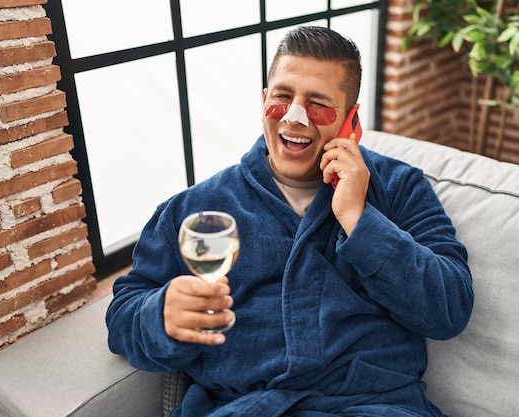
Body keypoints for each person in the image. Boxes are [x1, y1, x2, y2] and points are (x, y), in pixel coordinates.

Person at [106, 26, 474, 417]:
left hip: (373, 405)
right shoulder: (194, 209)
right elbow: (122, 318)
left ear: (350, 119)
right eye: (283, 97)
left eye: (318, 104)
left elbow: (449, 309)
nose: (295, 118)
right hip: (244, 407)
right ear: (264, 100)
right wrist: (159, 315)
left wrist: (359, 218)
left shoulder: (400, 188)